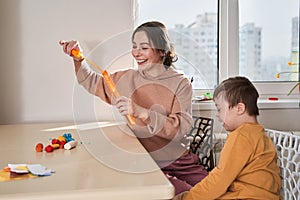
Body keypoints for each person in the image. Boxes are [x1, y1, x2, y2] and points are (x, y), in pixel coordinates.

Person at [60, 21, 208, 195]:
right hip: (148, 163)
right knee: (184, 194)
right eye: (134, 46)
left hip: (180, 160)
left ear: (162, 51)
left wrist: (143, 112)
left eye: (144, 47)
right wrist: (78, 59)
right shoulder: (127, 79)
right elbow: (91, 81)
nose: (137, 53)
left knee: (215, 191)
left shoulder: (180, 83)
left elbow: (180, 128)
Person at [173, 76, 282, 200]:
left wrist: (188, 198)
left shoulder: (242, 136)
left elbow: (220, 178)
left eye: (220, 109)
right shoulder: (257, 133)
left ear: (239, 109)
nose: (218, 115)